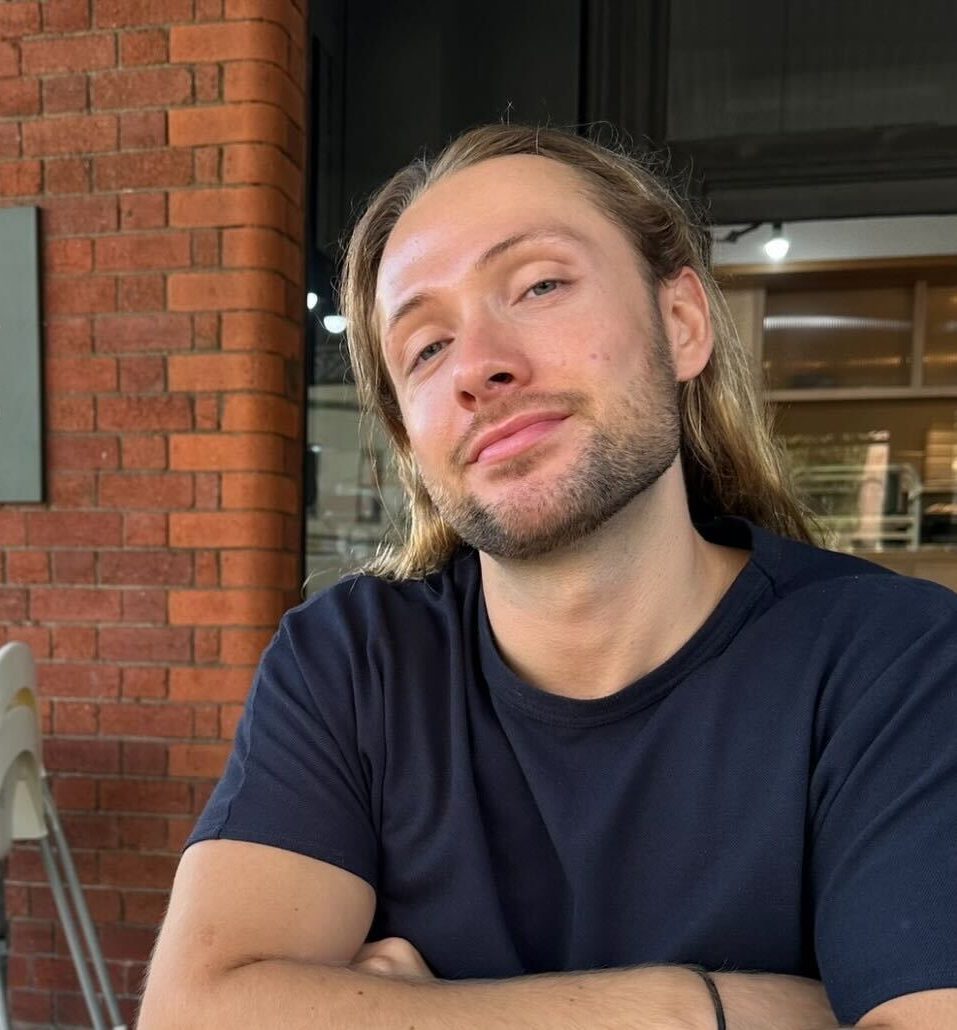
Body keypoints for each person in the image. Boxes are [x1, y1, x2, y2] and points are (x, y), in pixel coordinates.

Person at [139, 125, 957, 1029]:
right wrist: (696, 1010)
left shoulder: (897, 663)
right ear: (413, 442)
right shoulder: (350, 664)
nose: (480, 366)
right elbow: (197, 1012)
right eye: (424, 347)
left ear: (680, 323)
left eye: (539, 285)